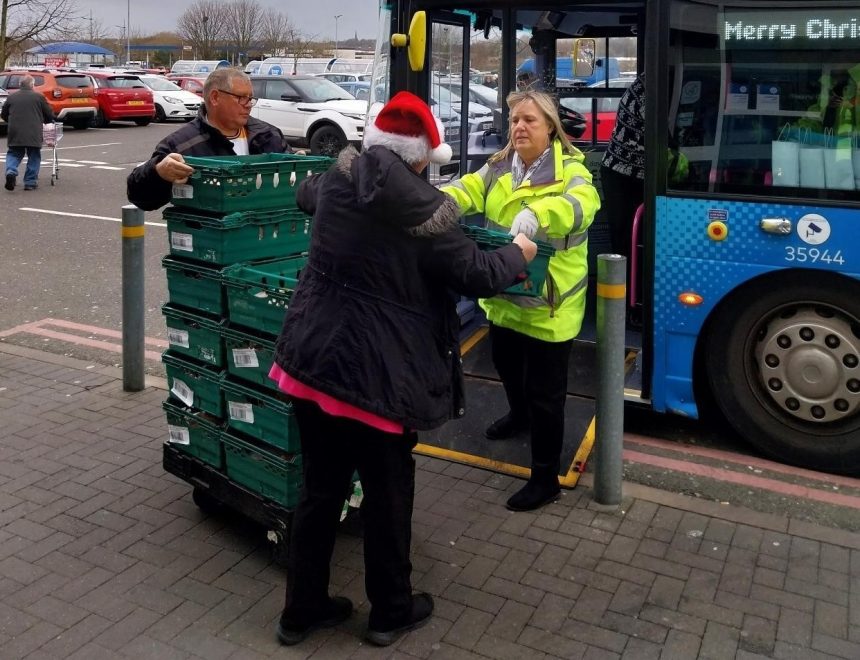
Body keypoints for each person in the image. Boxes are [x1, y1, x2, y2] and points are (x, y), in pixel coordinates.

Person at [269, 91, 538, 647]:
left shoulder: (339, 178)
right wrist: (520, 253)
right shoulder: (425, 211)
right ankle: (391, 608)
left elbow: (304, 195)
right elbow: (479, 273)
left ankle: (302, 609)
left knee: (320, 491)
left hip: (313, 362)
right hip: (377, 381)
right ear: (421, 158)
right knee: (389, 496)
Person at [441, 90, 601, 512]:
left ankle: (545, 478)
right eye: (514, 120)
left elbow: (584, 204)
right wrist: (443, 203)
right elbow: (469, 188)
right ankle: (518, 415)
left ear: (550, 126)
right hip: (505, 298)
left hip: (550, 305)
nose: (519, 127)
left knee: (547, 394)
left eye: (529, 119)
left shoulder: (572, 171)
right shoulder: (497, 167)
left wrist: (541, 213)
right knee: (508, 368)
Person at [126, 68, 290, 210]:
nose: (248, 104)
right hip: (208, 240)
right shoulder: (181, 144)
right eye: (241, 97)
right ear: (215, 97)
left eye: (250, 98)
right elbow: (140, 198)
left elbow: (297, 192)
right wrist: (157, 172)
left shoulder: (269, 135)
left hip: (268, 238)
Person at [600, 73, 645, 262]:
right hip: (623, 172)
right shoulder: (648, 90)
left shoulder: (649, 82)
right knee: (626, 236)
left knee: (628, 235)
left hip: (629, 171)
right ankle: (625, 286)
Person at [1, 75, 55, 192]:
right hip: (33, 131)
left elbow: (4, 114)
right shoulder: (39, 97)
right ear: (32, 85)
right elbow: (49, 115)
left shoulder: (11, 97)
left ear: (20, 85)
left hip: (15, 131)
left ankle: (11, 170)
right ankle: (30, 183)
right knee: (34, 156)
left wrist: (11, 121)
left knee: (14, 153)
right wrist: (48, 121)